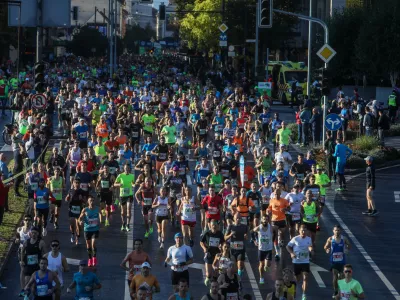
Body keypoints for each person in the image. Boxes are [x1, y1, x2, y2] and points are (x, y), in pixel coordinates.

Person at [286, 224, 314, 300]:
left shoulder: (309, 239)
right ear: (299, 231)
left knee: (305, 278)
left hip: (305, 261)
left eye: (305, 230)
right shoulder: (295, 239)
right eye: (302, 230)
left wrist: (311, 249)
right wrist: (291, 253)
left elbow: (310, 246)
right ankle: (295, 288)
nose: (303, 232)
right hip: (296, 261)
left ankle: (304, 294)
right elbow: (288, 247)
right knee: (297, 279)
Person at [324, 225, 351, 298]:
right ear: (333, 231)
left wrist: (347, 249)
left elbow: (349, 245)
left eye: (338, 230)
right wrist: (327, 249)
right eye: (336, 230)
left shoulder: (344, 239)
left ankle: (341, 291)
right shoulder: (330, 239)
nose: (337, 232)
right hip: (334, 261)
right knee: (335, 277)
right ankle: (335, 290)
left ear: (340, 231)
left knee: (342, 277)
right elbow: (325, 246)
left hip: (342, 261)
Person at [78, 195, 101, 266]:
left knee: (93, 244)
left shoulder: (97, 208)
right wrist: (80, 222)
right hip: (87, 229)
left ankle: (94, 258)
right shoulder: (85, 210)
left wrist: (101, 220)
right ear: (88, 202)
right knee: (88, 245)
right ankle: (90, 258)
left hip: (95, 229)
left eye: (93, 200)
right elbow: (79, 218)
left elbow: (100, 214)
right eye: (90, 200)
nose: (92, 202)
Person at [251, 214, 273, 284]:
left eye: (266, 219)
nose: (265, 221)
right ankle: (261, 278)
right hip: (261, 249)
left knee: (267, 265)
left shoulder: (271, 227)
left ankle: (266, 266)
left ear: (268, 220)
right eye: (264, 219)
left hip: (269, 249)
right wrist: (254, 241)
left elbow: (275, 232)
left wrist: (273, 239)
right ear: (261, 220)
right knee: (261, 264)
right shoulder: (259, 228)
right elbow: (252, 232)